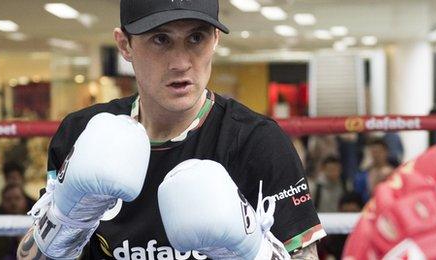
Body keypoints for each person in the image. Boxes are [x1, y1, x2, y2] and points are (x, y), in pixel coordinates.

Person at [17, 0, 325, 259]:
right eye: (160, 39)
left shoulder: (257, 142)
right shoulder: (82, 131)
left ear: (215, 39)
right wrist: (67, 221)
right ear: (125, 45)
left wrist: (251, 251)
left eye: (196, 38)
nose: (180, 63)